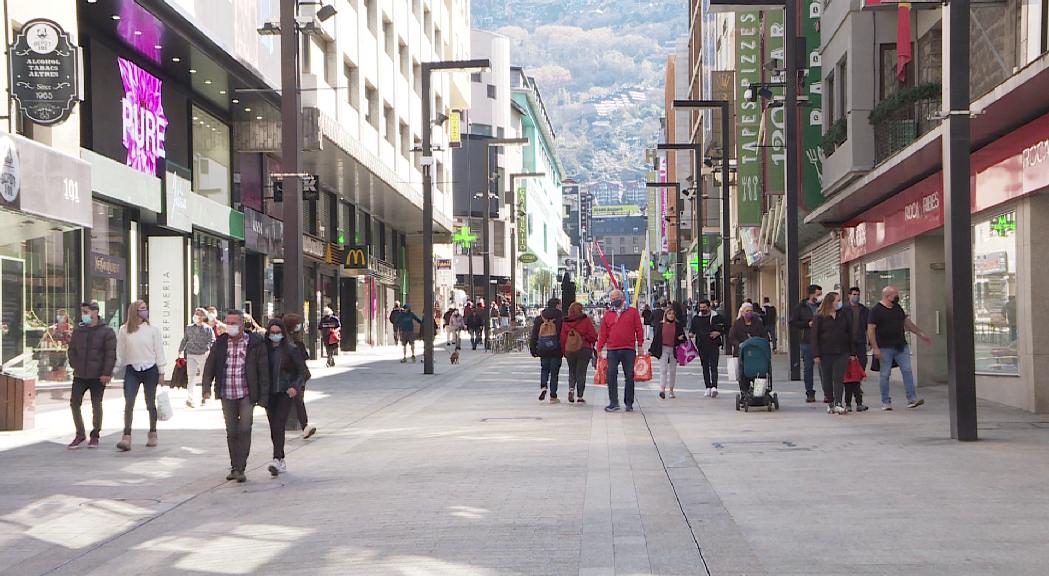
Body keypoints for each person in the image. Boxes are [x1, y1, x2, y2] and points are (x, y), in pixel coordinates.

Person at [202, 310, 270, 482]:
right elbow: (210, 365)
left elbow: (263, 370)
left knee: (245, 429)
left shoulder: (254, 343)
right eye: (228, 322)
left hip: (247, 392)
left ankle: (241, 467)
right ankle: (234, 466)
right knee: (232, 431)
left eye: (234, 323)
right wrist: (206, 387)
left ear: (241, 324)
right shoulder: (221, 343)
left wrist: (263, 396)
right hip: (227, 392)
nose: (230, 326)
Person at [868, 286, 931, 410]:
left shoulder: (897, 308)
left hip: (900, 346)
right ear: (887, 296)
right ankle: (886, 401)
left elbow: (907, 323)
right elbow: (870, 330)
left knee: (907, 370)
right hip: (884, 347)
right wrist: (875, 348)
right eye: (895, 294)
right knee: (885, 374)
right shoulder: (876, 310)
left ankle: (912, 398)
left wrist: (920, 333)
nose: (898, 296)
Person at [115, 300, 166, 452]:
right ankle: (126, 436)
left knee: (150, 403)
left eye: (145, 308)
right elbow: (120, 352)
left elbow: (159, 351)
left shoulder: (152, 330)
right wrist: (114, 369)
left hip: (150, 369)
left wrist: (161, 371)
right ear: (134, 312)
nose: (145, 311)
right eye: (141, 309)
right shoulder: (124, 330)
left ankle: (152, 433)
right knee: (129, 402)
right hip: (132, 369)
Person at [66, 302, 116, 449]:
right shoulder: (79, 330)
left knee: (96, 404)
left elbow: (110, 354)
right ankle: (80, 434)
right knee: (74, 403)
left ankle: (95, 435)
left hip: (98, 375)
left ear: (95, 312)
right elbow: (72, 349)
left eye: (86, 312)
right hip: (80, 374)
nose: (84, 315)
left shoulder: (107, 331)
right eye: (82, 312)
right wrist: (74, 364)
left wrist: (106, 373)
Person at [263, 318, 307, 476]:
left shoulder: (291, 349)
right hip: (269, 394)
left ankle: (277, 459)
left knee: (279, 423)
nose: (274, 335)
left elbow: (303, 371)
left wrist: (295, 386)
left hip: (285, 392)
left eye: (278, 333)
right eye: (272, 333)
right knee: (273, 426)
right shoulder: (264, 350)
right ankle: (280, 458)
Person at [810, 292, 860, 415]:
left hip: (842, 351)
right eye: (837, 300)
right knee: (827, 379)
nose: (839, 303)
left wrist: (852, 352)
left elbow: (849, 333)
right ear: (830, 302)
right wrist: (816, 354)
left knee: (838, 378)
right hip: (825, 352)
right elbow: (814, 336)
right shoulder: (819, 317)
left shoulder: (843, 315)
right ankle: (830, 402)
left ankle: (838, 402)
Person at [596, 289, 645, 412]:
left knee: (629, 376)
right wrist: (599, 348)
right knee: (611, 375)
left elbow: (639, 329)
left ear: (622, 298)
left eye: (615, 297)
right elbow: (603, 333)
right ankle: (614, 402)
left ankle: (629, 402)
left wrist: (640, 345)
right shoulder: (607, 314)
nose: (613, 300)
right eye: (612, 298)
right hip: (612, 349)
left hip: (628, 349)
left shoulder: (632, 312)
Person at [283, 314, 316, 439]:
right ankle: (303, 426)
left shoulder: (297, 341)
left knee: (297, 401)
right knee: (293, 402)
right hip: (289, 377)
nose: (299, 326)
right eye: (297, 323)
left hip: (298, 377)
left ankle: (304, 426)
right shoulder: (289, 342)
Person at [790, 284, 823, 402]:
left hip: (822, 341)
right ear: (811, 294)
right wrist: (806, 324)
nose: (819, 297)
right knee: (808, 367)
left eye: (820, 294)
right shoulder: (800, 307)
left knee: (823, 368)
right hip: (807, 341)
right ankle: (810, 392)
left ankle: (827, 392)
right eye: (818, 294)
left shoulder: (822, 306)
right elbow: (793, 322)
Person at [689, 299, 729, 397]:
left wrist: (719, 333)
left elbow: (727, 327)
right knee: (705, 367)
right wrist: (691, 334)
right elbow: (692, 330)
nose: (702, 309)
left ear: (709, 307)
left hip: (713, 344)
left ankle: (714, 386)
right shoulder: (696, 318)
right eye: (701, 308)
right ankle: (708, 387)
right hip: (701, 345)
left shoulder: (717, 317)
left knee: (714, 366)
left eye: (704, 307)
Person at [728, 302, 769, 396]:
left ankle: (759, 393)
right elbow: (732, 337)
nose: (749, 313)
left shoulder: (758, 322)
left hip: (757, 353)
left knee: (760, 373)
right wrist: (738, 344)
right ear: (742, 312)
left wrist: (762, 343)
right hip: (742, 353)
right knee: (743, 373)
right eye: (747, 311)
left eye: (751, 311)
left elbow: (764, 335)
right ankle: (745, 393)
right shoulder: (737, 323)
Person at [528, 298, 565, 403]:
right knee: (554, 373)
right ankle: (553, 396)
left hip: (543, 348)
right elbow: (563, 335)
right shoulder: (560, 318)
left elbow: (534, 335)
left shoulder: (540, 318)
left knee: (544, 369)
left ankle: (543, 386)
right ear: (557, 305)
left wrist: (533, 348)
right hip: (556, 349)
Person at [178, 307, 216, 408]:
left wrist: (209, 348)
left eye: (199, 314)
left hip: (204, 354)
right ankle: (190, 398)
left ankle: (204, 397)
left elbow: (212, 340)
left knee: (205, 376)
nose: (197, 316)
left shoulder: (208, 329)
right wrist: (180, 350)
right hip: (191, 354)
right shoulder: (189, 328)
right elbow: (185, 339)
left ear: (203, 317)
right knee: (191, 376)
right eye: (196, 313)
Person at [560, 302, 597, 404]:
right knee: (581, 372)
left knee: (572, 370)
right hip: (584, 349)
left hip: (570, 350)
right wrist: (585, 338)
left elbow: (562, 338)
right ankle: (580, 396)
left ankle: (571, 389)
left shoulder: (565, 322)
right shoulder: (586, 320)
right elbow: (593, 336)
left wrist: (564, 351)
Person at [650, 302, 686, 399]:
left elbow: (684, 338)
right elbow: (656, 338)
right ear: (666, 315)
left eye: (673, 314)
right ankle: (662, 389)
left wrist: (680, 338)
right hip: (663, 349)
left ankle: (671, 390)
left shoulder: (677, 325)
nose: (671, 316)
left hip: (674, 349)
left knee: (673, 370)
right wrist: (651, 350)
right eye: (669, 314)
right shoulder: (661, 325)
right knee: (663, 370)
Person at [844, 287, 870, 412]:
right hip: (848, 343)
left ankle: (857, 387)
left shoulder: (864, 310)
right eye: (854, 294)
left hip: (860, 341)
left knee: (861, 365)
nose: (856, 296)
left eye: (858, 294)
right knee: (849, 370)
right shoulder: (844, 309)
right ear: (849, 295)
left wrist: (869, 340)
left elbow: (868, 326)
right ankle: (851, 399)